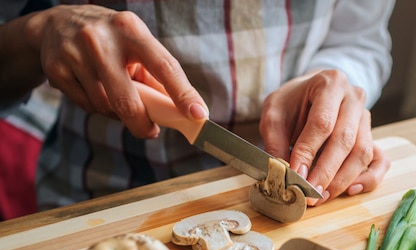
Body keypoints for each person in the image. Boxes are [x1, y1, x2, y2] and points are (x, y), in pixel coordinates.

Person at [0, 1, 394, 212]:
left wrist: (333, 81)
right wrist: (38, 31)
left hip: (251, 197)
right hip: (93, 195)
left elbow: (361, 40)